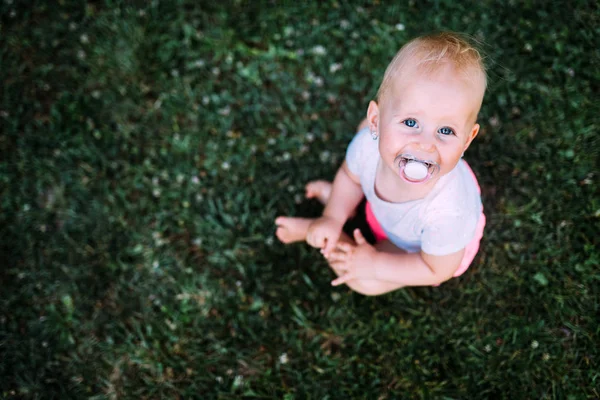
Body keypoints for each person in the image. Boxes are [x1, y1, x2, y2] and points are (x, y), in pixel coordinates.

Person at [275, 32, 487, 296]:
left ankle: (321, 233)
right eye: (411, 123)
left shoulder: (448, 213)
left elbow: (436, 269)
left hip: (418, 251)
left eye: (445, 131)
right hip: (384, 216)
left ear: (467, 140)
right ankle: (335, 217)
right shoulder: (369, 145)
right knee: (363, 146)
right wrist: (333, 216)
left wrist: (374, 264)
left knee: (365, 281)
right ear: (376, 119)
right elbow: (350, 177)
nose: (425, 144)